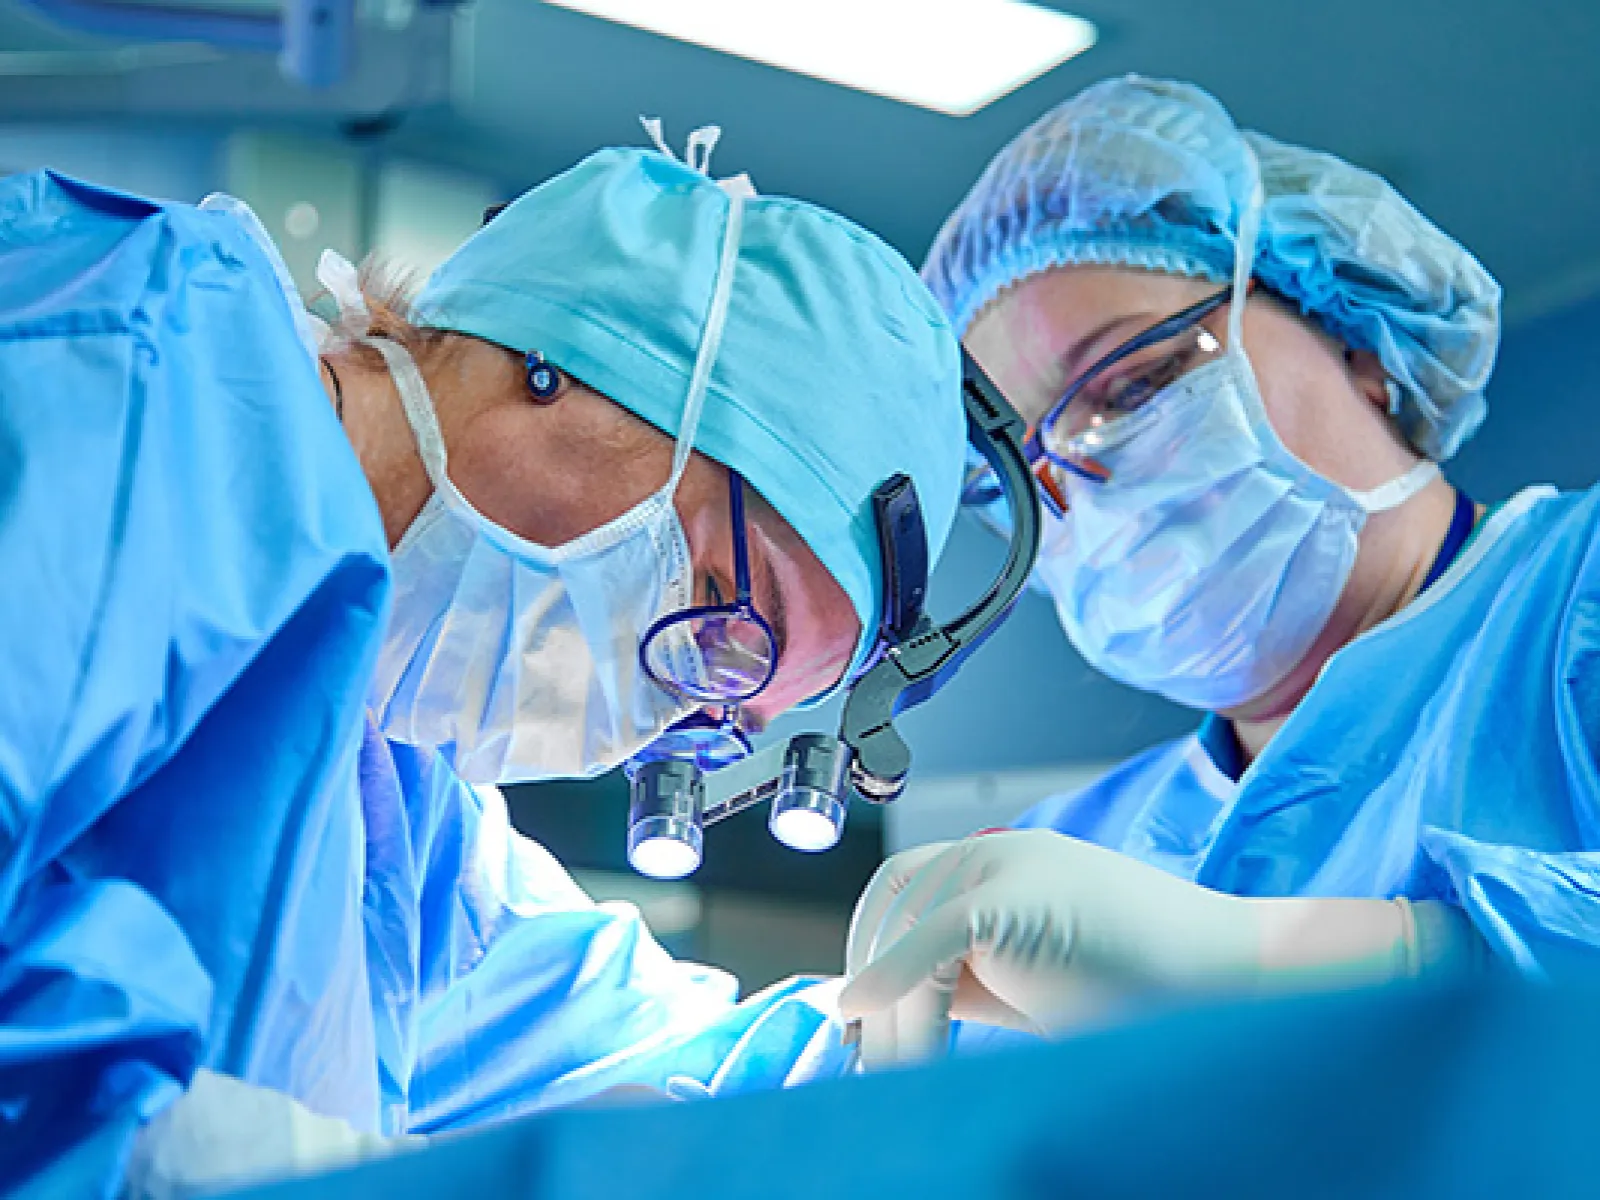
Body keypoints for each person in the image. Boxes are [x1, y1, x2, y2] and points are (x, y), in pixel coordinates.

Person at [0, 124, 968, 1195]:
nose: (657, 717)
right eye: (717, 610)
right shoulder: (115, 367)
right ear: (567, 364)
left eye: (724, 707)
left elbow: (684, 1073)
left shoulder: (392, 817)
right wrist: (128, 1153)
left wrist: (992, 1005)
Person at [840, 75, 1600, 1068]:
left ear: (1354, 341)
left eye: (1136, 381)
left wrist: (1285, 962)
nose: (1084, 478)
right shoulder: (1076, 849)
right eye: (1020, 478)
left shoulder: (1572, 601)